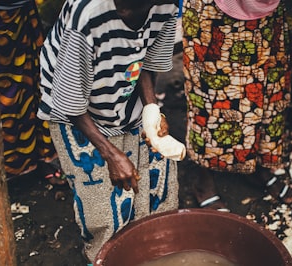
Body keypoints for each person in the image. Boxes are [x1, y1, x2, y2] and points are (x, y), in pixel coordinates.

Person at [37, 0, 185, 262]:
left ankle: (150, 254)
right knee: (103, 209)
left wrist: (151, 109)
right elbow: (70, 99)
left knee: (155, 189)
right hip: (76, 109)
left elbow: (147, 60)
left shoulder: (167, 6)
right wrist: (110, 153)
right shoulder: (88, 13)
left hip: (126, 91)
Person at [182, 0, 292, 211]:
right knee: (211, 95)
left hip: (266, 12)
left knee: (267, 87)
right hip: (215, 12)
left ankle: (256, 164)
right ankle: (203, 178)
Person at [0, 0, 66, 185]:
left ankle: (36, 158)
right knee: (2, 94)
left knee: (31, 83)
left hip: (21, 13)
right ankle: (4, 168)